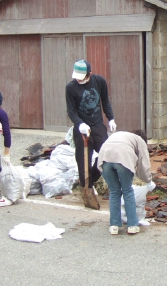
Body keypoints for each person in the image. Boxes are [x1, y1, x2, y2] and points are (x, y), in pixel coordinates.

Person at [66, 59, 116, 190]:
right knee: (82, 160)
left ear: (90, 74)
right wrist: (80, 124)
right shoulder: (70, 88)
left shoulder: (99, 81)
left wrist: (111, 118)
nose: (79, 80)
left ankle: (92, 179)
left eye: (81, 78)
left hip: (98, 125)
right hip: (81, 129)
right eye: (77, 77)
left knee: (107, 155)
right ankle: (86, 187)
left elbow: (105, 101)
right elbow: (71, 111)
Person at [97, 130, 155, 235]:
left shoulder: (120, 135)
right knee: (127, 190)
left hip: (104, 158)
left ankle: (114, 226)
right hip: (122, 158)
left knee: (114, 191)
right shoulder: (140, 140)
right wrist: (148, 180)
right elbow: (144, 163)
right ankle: (132, 225)